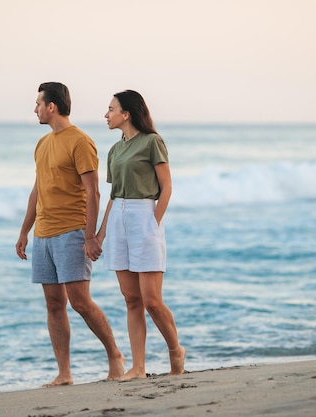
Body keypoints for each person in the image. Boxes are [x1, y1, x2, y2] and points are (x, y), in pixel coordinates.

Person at [16, 82, 124, 386]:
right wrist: (25, 231)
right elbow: (37, 190)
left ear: (52, 106)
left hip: (71, 232)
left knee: (80, 301)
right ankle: (64, 373)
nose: (35, 108)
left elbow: (94, 192)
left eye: (38, 103)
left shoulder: (80, 141)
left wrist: (90, 236)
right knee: (53, 304)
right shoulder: (42, 144)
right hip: (44, 235)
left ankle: (115, 355)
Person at [96, 90, 185, 380]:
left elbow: (167, 187)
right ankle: (138, 367)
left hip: (143, 216)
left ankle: (176, 351)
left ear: (127, 114)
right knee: (131, 299)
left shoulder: (152, 142)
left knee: (152, 300)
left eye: (111, 109)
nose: (106, 115)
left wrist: (153, 222)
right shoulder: (114, 150)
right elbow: (113, 195)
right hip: (118, 218)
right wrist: (101, 233)